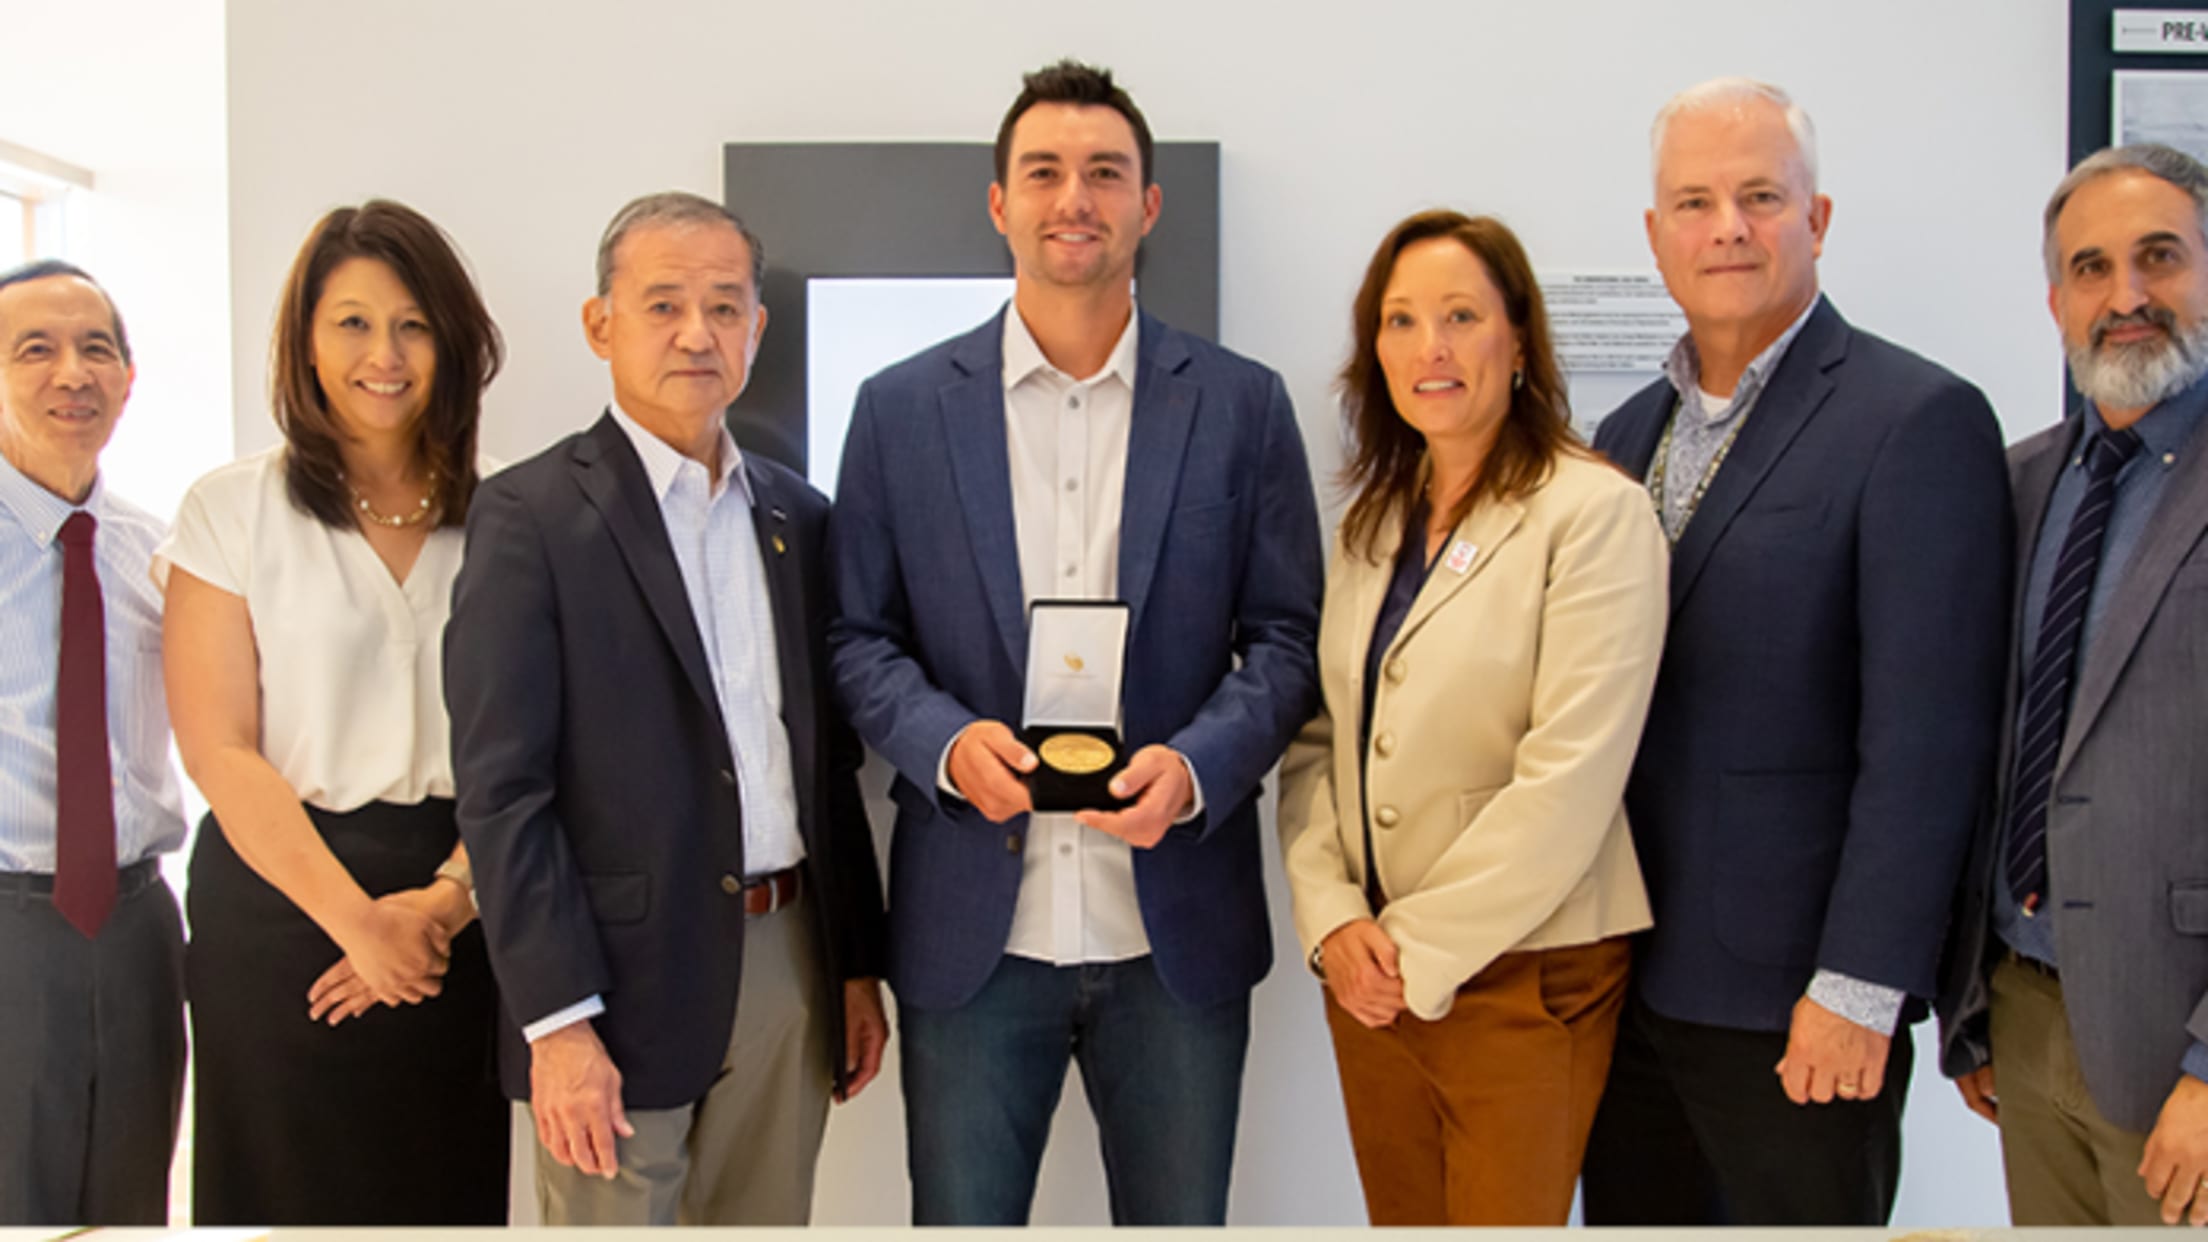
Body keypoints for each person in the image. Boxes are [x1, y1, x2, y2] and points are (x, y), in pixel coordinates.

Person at [829, 59, 1322, 1226]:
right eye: (1044, 173)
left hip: (1175, 937)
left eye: (1106, 173)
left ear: (1150, 205)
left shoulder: (1243, 405)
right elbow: (858, 638)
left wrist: (1199, 766)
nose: (1075, 199)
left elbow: (1290, 639)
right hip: (971, 939)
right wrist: (948, 746)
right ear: (998, 202)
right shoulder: (899, 410)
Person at [1577, 77, 2011, 1225]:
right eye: (1696, 201)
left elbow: (1929, 737)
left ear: (1816, 222)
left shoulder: (1915, 421)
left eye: (1761, 196)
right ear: (1656, 234)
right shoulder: (1624, 437)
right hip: (1623, 985)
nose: (1727, 226)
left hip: (1797, 1006)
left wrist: (1861, 988)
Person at [445, 190, 888, 1227]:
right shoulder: (529, 516)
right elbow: (504, 793)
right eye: (663, 305)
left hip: (789, 963)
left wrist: (855, 967)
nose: (699, 333)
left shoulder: (799, 515)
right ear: (602, 324)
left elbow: (825, 769)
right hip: (610, 981)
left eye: (726, 308)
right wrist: (556, 1023)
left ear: (757, 331)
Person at [1276, 210, 1667, 1225]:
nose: (1430, 349)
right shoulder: (1374, 519)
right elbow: (1323, 744)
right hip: (1370, 978)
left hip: (1521, 975)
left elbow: (1570, 780)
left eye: (1460, 316)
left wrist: (1409, 947)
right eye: (1401, 322)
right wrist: (1333, 925)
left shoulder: (1594, 514)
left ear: (1520, 341)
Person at [158, 201, 508, 1224]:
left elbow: (534, 750)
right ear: (305, 344)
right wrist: (357, 925)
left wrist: (441, 909)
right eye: (351, 322)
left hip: (461, 904)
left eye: (412, 323)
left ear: (453, 341)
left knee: (440, 1195)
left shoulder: (511, 517)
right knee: (285, 1202)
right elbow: (218, 747)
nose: (384, 354)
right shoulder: (229, 511)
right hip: (279, 905)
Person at [1938, 143, 2208, 1228]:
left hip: (2179, 1050)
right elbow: (1993, 748)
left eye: (2160, 258)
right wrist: (1976, 1004)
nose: (2126, 296)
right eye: (2091, 269)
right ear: (2057, 300)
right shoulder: (2020, 481)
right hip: (2028, 1018)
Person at [0, 260, 187, 1226]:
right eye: (36, 349)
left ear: (127, 379)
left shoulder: (160, 554)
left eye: (96, 349)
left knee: (130, 1206)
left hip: (137, 926)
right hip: (7, 921)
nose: (72, 372)